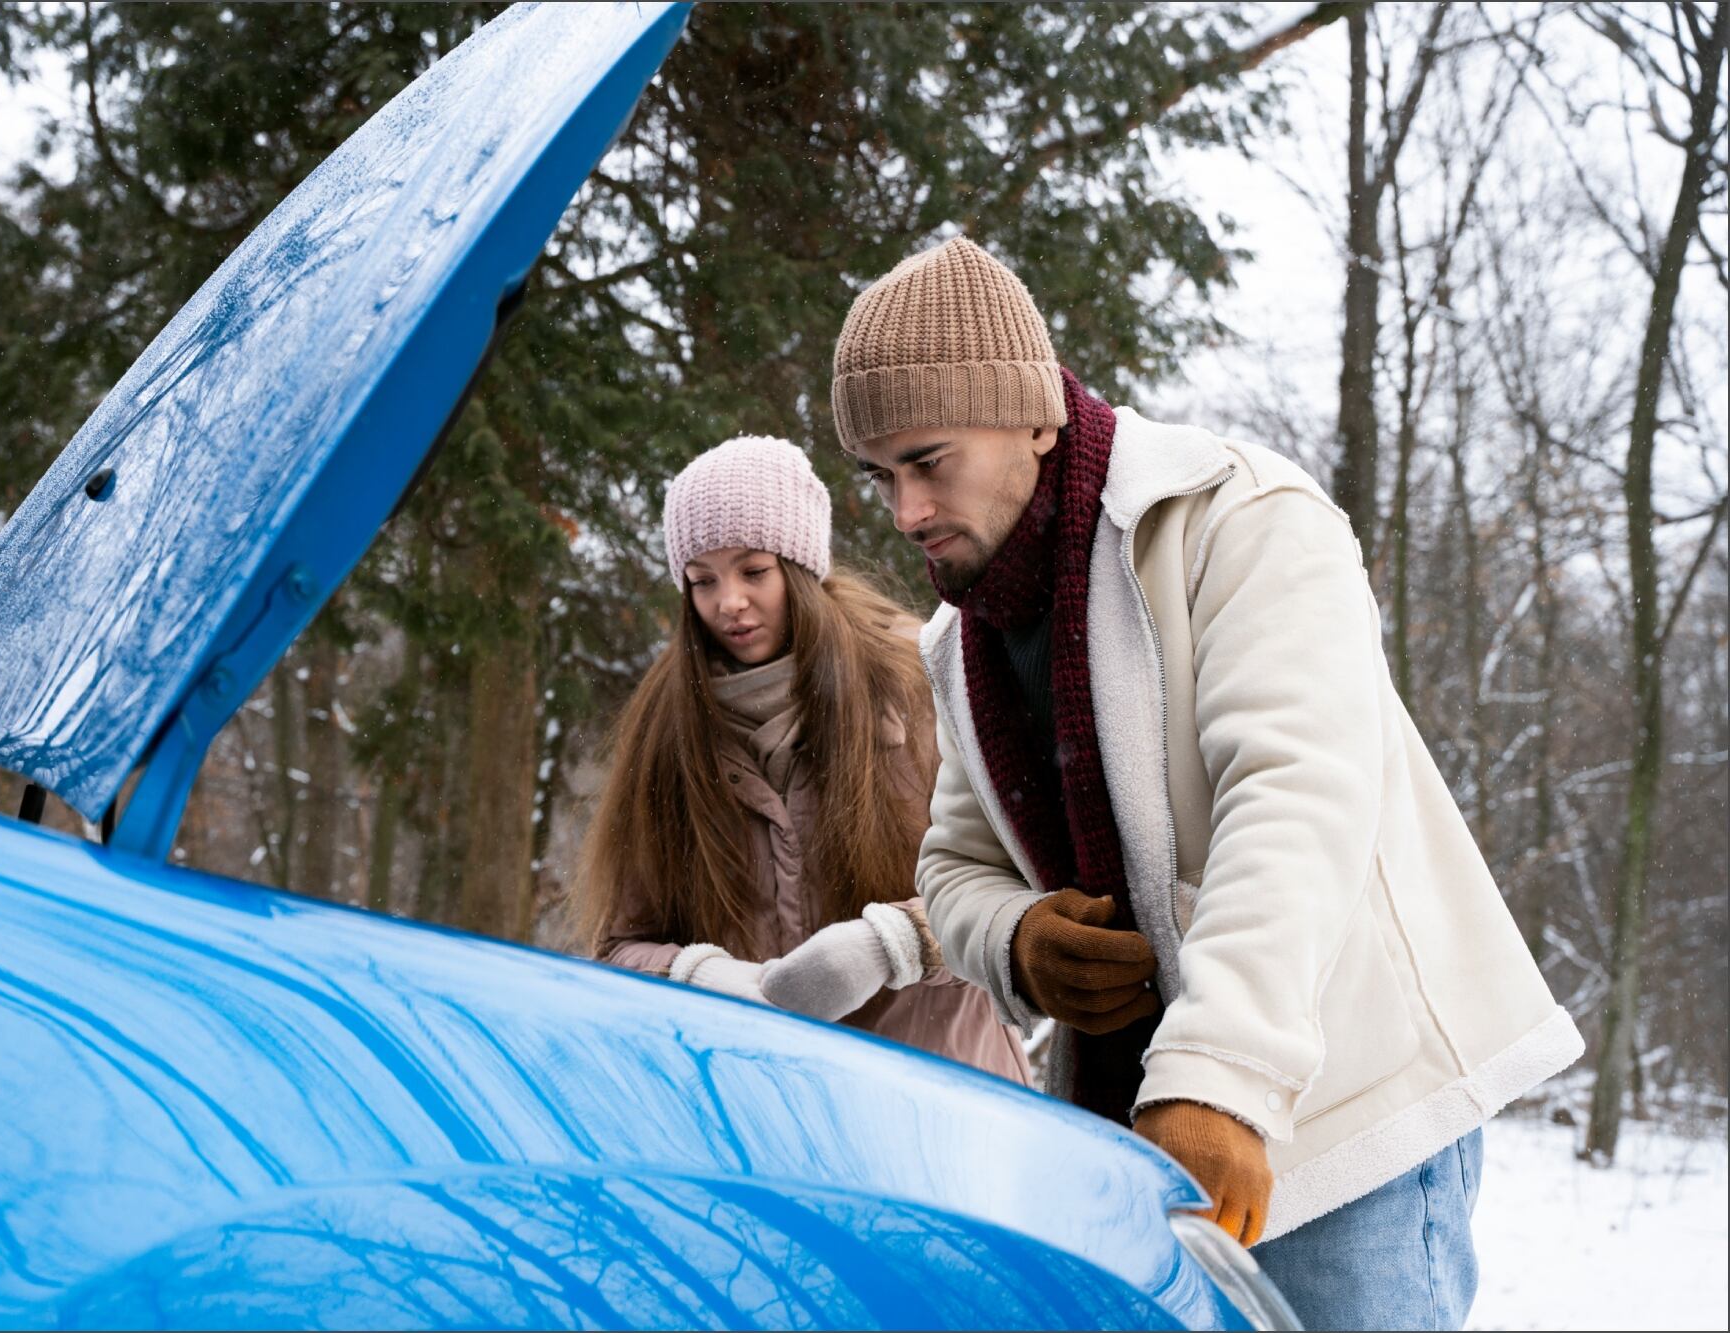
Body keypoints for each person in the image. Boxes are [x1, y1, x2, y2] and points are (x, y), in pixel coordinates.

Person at [829, 237, 1581, 1330]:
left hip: (1338, 1122)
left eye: (927, 461)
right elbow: (953, 864)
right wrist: (1019, 940)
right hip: (1132, 1140)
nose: (904, 510)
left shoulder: (1242, 519)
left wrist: (1216, 1075)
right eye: (880, 476)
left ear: (1032, 418)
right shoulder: (961, 637)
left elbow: (1293, 799)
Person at [577, 434, 1030, 1085]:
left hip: (944, 1095)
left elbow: (1017, 884)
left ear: (799, 566)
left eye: (753, 571)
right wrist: (698, 975)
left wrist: (894, 945)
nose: (729, 602)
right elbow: (619, 945)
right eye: (702, 581)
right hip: (766, 1109)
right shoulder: (667, 728)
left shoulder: (922, 679)